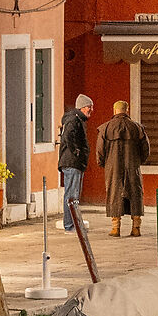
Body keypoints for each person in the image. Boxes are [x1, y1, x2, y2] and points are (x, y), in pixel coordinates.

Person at [95, 99, 150, 237]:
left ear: (114, 111)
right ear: (127, 110)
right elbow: (146, 149)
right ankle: (136, 227)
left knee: (114, 192)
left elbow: (100, 150)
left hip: (112, 166)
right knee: (135, 192)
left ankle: (116, 228)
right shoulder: (137, 128)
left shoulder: (105, 128)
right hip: (133, 165)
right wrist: (138, 161)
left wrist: (103, 163)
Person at [57, 93, 93, 231]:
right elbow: (67, 137)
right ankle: (70, 225)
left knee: (74, 195)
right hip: (72, 163)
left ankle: (74, 224)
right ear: (82, 108)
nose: (91, 110)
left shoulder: (76, 119)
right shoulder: (74, 119)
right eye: (89, 107)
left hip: (74, 163)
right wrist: (76, 152)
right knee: (72, 196)